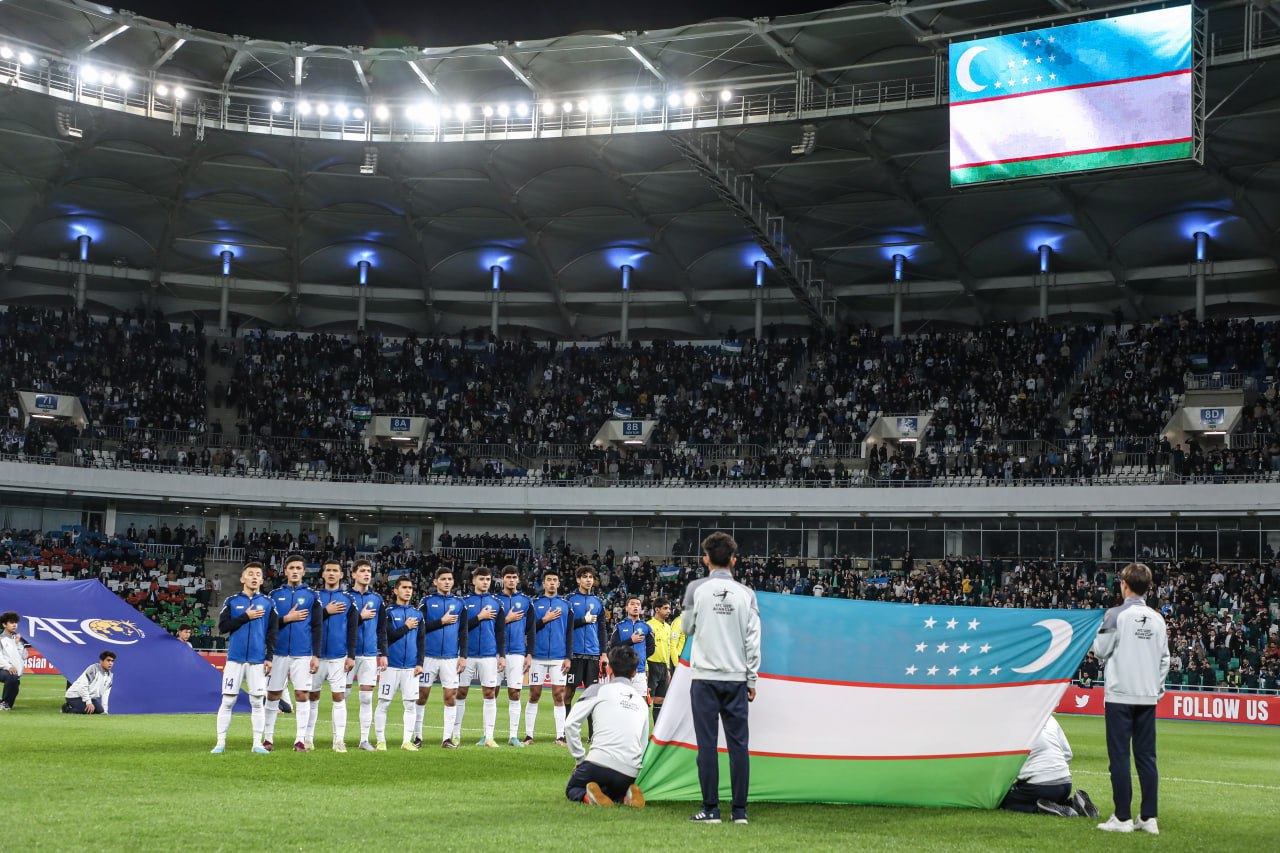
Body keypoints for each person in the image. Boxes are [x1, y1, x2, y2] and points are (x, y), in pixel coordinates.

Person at [681, 531, 761, 825]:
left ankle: (711, 809)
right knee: (739, 746)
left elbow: (686, 628)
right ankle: (739, 812)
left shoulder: (695, 589)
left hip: (704, 677)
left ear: (706, 559)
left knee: (707, 744)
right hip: (736, 678)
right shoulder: (747, 594)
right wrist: (751, 679)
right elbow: (754, 640)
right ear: (734, 560)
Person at [1093, 562, 1169, 835]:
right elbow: (1165, 659)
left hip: (1120, 695)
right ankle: (1149, 818)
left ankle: (1122, 817)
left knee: (1120, 757)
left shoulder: (1115, 614)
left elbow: (1100, 651)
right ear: (1148, 587)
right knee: (1147, 758)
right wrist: (1156, 689)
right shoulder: (1158, 619)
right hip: (1146, 695)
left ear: (1124, 584)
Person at [564, 645, 650, 808]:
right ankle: (625, 795)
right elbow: (643, 744)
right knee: (611, 789)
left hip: (598, 763)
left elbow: (570, 724)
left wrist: (580, 759)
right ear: (634, 673)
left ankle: (589, 797)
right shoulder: (642, 702)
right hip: (629, 771)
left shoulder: (598, 690)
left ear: (609, 668)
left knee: (573, 789)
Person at [212, 561, 277, 754]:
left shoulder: (268, 603)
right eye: (250, 574)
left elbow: (272, 633)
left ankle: (257, 743)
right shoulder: (232, 601)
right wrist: (245, 616)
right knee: (228, 701)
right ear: (242, 578)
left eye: (258, 574)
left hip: (257, 660)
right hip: (235, 659)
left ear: (262, 580)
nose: (254, 577)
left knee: (257, 702)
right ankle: (220, 743)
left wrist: (269, 657)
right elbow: (223, 628)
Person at [263, 554, 321, 752]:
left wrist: (315, 655)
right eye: (291, 568)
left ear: (304, 571)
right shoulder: (274, 595)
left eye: (298, 568)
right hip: (277, 653)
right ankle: (268, 739)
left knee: (302, 694)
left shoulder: (312, 596)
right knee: (273, 694)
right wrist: (286, 619)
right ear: (285, 571)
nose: (295, 571)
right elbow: (268, 626)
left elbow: (317, 627)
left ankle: (300, 740)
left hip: (302, 654)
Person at [999, 715, 1099, 818]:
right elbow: (1068, 754)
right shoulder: (1049, 717)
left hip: (1040, 786)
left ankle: (1040, 810)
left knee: (1003, 801)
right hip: (1066, 783)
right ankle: (1073, 805)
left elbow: (1005, 763)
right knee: (1048, 796)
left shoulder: (1010, 722)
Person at [414, 567, 468, 749]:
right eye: (443, 579)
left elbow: (464, 632)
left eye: (449, 579)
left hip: (451, 658)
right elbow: (419, 627)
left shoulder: (460, 604)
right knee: (422, 696)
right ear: (435, 581)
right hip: (428, 657)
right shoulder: (427, 602)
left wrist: (463, 656)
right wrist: (441, 622)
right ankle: (417, 737)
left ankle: (447, 739)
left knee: (450, 696)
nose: (447, 582)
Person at [454, 566, 505, 747]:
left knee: (489, 693)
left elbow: (500, 632)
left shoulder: (497, 603)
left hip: (489, 655)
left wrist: (502, 655)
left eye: (488, 579)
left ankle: (489, 736)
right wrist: (480, 617)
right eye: (481, 579)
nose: (485, 582)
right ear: (473, 580)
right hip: (466, 654)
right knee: (461, 692)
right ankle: (455, 734)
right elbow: (459, 627)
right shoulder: (463, 602)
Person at [374, 577, 424, 751]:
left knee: (410, 704)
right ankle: (380, 740)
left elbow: (421, 641)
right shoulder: (388, 612)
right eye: (404, 587)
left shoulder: (418, 614)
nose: (408, 590)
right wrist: (406, 627)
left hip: (411, 667)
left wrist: (420, 663)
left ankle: (406, 741)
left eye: (410, 588)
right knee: (384, 703)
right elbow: (387, 636)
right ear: (395, 590)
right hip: (391, 665)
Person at [525, 568, 573, 744]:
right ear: (543, 583)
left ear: (558, 583)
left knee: (559, 695)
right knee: (534, 694)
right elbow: (528, 630)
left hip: (559, 657)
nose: (552, 583)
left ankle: (560, 736)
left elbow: (570, 633)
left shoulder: (566, 605)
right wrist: (544, 620)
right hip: (538, 656)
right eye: (549, 580)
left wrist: (568, 657)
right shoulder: (534, 604)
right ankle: (529, 735)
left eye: (555, 580)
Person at [315, 559, 358, 752]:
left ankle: (339, 740)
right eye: (328, 570)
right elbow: (309, 623)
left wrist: (351, 655)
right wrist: (326, 611)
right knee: (311, 697)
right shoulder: (315, 598)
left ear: (341, 575)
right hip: (315, 657)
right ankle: (307, 739)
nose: (331, 573)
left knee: (339, 697)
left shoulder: (348, 600)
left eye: (335, 571)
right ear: (323, 574)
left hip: (339, 656)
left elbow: (352, 629)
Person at [347, 559, 385, 751]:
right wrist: (359, 617)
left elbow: (381, 629)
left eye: (369, 571)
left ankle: (364, 740)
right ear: (353, 574)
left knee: (367, 698)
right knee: (342, 696)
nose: (366, 574)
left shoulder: (377, 599)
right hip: (347, 654)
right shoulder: (346, 597)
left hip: (370, 654)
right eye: (362, 571)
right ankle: (338, 738)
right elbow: (339, 625)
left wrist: (383, 653)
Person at [564, 566, 608, 723]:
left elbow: (602, 629)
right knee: (568, 693)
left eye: (591, 577)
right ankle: (564, 730)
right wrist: (583, 620)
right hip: (574, 653)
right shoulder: (569, 600)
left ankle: (592, 733)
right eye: (585, 577)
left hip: (592, 654)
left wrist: (604, 653)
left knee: (592, 696)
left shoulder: (598, 602)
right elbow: (564, 625)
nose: (588, 580)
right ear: (578, 580)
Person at [499, 565, 532, 746]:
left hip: (518, 652)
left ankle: (513, 735)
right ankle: (488, 735)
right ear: (502, 579)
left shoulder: (526, 601)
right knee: (491, 692)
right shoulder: (495, 600)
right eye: (508, 577)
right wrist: (507, 619)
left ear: (518, 579)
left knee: (515, 692)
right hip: (496, 652)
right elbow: (490, 627)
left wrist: (529, 653)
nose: (511, 580)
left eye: (514, 577)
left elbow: (531, 630)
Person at [609, 596, 655, 697]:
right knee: (620, 700)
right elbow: (613, 647)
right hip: (621, 671)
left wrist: (640, 658)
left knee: (641, 701)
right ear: (626, 608)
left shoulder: (646, 627)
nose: (635, 607)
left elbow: (651, 648)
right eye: (632, 604)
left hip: (639, 671)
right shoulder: (619, 626)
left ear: (641, 608)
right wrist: (631, 641)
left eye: (638, 605)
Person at [645, 598, 674, 722]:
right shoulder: (648, 626)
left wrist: (668, 668)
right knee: (647, 700)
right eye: (665, 608)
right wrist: (646, 668)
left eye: (669, 608)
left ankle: (657, 731)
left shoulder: (668, 627)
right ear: (657, 609)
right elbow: (644, 648)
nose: (669, 611)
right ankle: (641, 730)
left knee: (660, 700)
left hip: (663, 667)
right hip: (651, 664)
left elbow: (668, 649)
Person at [0, 611, 24, 711]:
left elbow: (24, 656)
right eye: (11, 622)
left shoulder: (16, 639)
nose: (14, 625)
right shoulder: (1, 639)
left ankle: (6, 704)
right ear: (4, 625)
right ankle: (3, 703)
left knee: (15, 683)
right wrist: (8, 667)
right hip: (3, 668)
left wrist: (17, 644)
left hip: (13, 671)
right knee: (12, 677)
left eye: (15, 622)